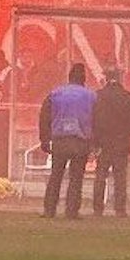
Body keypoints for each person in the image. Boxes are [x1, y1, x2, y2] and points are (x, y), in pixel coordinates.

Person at [37, 63, 95, 220]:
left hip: (60, 139)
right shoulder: (90, 96)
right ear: (83, 78)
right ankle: (72, 211)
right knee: (76, 178)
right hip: (80, 140)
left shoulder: (55, 93)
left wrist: (45, 139)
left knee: (56, 175)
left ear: (69, 77)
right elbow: (96, 119)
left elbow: (44, 117)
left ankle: (49, 210)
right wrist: (94, 142)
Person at [90, 65, 130, 218]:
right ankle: (120, 209)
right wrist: (128, 133)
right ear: (120, 79)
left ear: (106, 78)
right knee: (120, 177)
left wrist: (95, 140)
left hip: (103, 142)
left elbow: (91, 119)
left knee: (100, 176)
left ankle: (97, 209)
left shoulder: (97, 96)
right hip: (121, 141)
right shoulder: (128, 97)